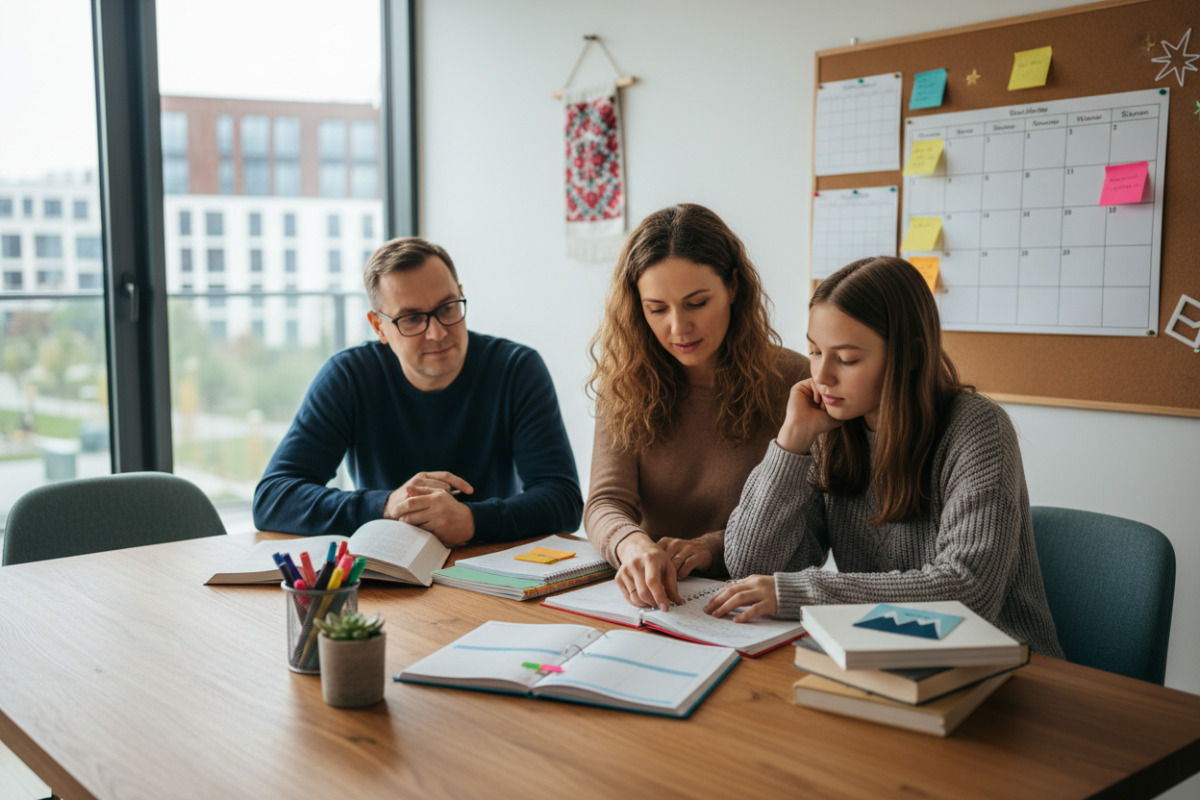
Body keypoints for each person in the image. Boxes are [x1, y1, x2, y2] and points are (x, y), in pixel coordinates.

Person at [704, 256, 1063, 657]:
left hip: (1003, 667)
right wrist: (792, 441)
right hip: (886, 654)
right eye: (815, 351)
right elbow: (750, 562)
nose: (821, 377)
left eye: (847, 359)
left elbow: (967, 591)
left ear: (908, 355)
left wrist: (801, 592)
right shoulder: (832, 429)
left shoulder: (977, 428)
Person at [253, 237, 583, 545]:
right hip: (388, 568)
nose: (437, 333)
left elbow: (563, 500)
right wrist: (386, 505)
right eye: (411, 319)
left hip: (491, 565)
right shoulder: (349, 376)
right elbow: (273, 498)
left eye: (448, 308)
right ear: (379, 326)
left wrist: (471, 520)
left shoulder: (516, 368)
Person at [585, 203, 809, 612]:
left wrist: (709, 547)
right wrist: (632, 545)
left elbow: (805, 525)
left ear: (734, 288)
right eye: (657, 309)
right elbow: (605, 503)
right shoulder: (624, 380)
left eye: (697, 303)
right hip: (652, 603)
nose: (678, 327)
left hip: (748, 606)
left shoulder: (795, 380)